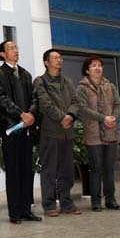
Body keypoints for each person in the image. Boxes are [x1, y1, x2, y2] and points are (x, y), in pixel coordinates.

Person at [0, 40, 42, 224]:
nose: (15, 50)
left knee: (27, 169)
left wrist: (31, 114)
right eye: (11, 48)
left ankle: (26, 210)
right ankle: (15, 213)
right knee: (13, 171)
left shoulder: (26, 74)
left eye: (16, 48)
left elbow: (35, 98)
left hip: (27, 129)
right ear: (2, 54)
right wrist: (21, 114)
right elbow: (0, 100)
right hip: (11, 129)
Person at [34, 49, 80, 217]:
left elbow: (76, 101)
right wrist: (62, 117)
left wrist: (71, 116)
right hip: (51, 131)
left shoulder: (68, 81)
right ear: (46, 62)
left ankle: (67, 204)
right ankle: (49, 205)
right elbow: (45, 104)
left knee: (67, 170)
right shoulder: (40, 81)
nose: (59, 60)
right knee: (49, 170)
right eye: (55, 58)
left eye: (60, 57)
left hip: (68, 132)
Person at [76, 57, 120, 212]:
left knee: (109, 169)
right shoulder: (82, 88)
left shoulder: (110, 86)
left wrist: (113, 117)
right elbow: (83, 109)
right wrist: (103, 118)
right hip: (93, 133)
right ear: (87, 70)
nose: (97, 68)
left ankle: (111, 200)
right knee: (96, 169)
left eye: (100, 65)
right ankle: (96, 202)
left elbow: (118, 104)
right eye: (93, 66)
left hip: (111, 132)